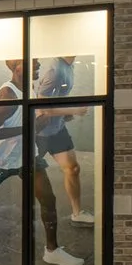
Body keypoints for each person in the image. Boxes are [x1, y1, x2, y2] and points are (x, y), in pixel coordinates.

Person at [0, 60, 84, 265]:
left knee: (48, 199)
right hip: (1, 160)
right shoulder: (8, 96)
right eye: (31, 61)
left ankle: (52, 251)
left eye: (36, 60)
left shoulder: (29, 87)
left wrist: (60, 117)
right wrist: (30, 127)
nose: (38, 63)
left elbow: (30, 120)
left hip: (27, 155)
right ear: (15, 67)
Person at [34, 55, 96, 228]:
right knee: (13, 170)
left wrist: (65, 115)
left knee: (72, 168)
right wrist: (73, 110)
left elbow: (57, 97)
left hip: (57, 130)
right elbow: (41, 108)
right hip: (39, 133)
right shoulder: (54, 71)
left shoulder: (69, 65)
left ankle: (77, 214)